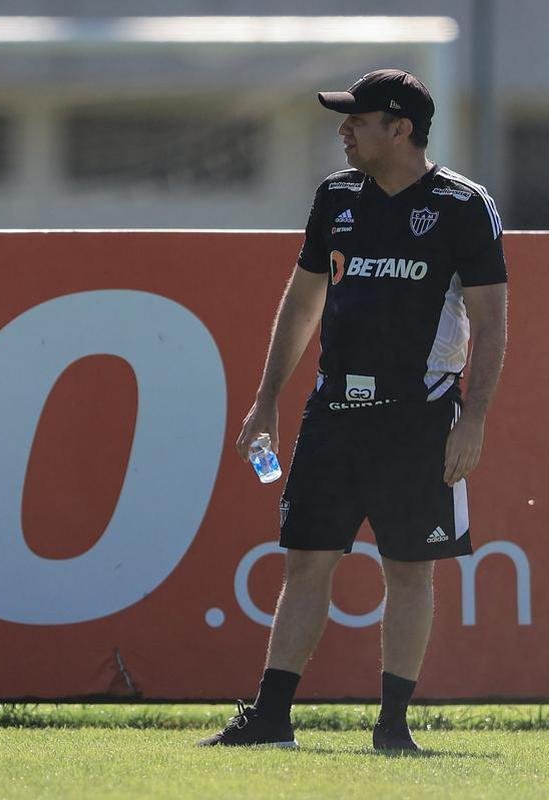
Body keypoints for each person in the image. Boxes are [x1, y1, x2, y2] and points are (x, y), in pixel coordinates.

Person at [198, 69, 508, 751]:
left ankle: (393, 725)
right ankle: (271, 717)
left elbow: (492, 322)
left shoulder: (463, 204)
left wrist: (474, 416)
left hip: (420, 415)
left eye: (357, 120)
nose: (343, 130)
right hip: (334, 409)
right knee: (307, 558)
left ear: (400, 129)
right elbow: (304, 300)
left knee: (408, 568)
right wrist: (267, 399)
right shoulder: (335, 197)